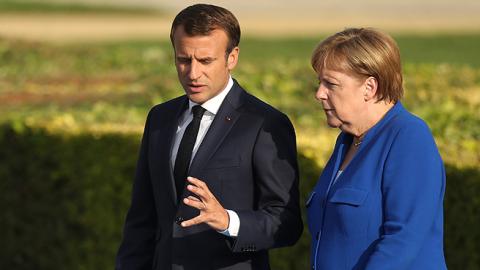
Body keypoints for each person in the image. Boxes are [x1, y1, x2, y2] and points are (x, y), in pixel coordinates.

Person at [115, 4, 303, 270]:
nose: (193, 73)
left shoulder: (266, 124)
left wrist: (228, 221)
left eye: (205, 61)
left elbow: (286, 224)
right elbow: (141, 220)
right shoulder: (160, 118)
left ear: (232, 57)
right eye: (183, 60)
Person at [306, 28, 447, 269]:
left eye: (331, 84)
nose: (319, 93)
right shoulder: (347, 140)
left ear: (370, 88)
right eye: (320, 82)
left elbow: (402, 241)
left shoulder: (409, 137)